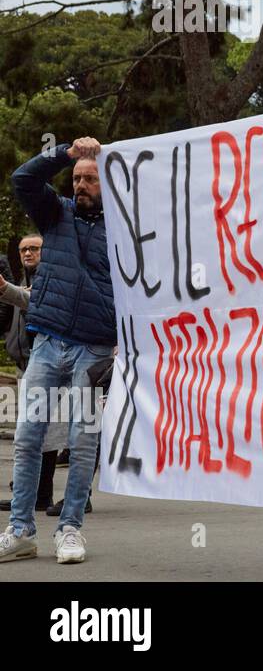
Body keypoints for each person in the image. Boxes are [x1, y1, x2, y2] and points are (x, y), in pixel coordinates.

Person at [0, 138, 116, 565]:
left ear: (107, 185)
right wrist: (64, 152)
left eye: (90, 179)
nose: (81, 185)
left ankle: (70, 530)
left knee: (82, 442)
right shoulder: (55, 215)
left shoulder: (123, 228)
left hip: (95, 350)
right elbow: (22, 178)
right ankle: (20, 531)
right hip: (48, 343)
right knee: (29, 438)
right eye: (77, 179)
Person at [0, 234, 61, 515]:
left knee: (50, 432)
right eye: (24, 249)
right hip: (26, 362)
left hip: (50, 362)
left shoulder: (51, 277)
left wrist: (7, 289)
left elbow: (32, 301)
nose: (27, 253)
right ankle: (33, 494)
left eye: (34, 249)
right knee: (32, 432)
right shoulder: (26, 275)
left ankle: (48, 496)